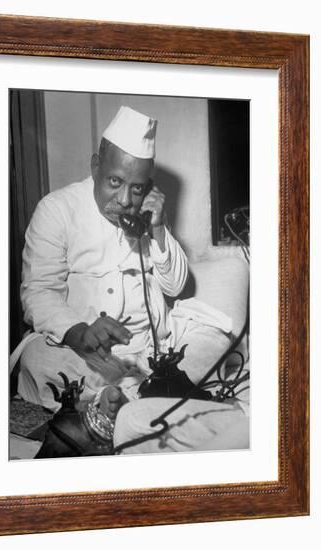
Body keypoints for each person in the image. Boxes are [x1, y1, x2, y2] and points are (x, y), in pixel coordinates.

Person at [15, 105, 249, 453]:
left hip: (155, 352)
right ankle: (136, 399)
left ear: (149, 188)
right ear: (96, 167)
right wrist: (81, 331)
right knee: (37, 358)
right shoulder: (56, 209)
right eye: (114, 182)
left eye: (137, 189)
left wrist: (157, 228)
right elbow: (38, 293)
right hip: (87, 353)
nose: (124, 200)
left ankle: (126, 401)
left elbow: (175, 286)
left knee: (216, 335)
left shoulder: (144, 216)